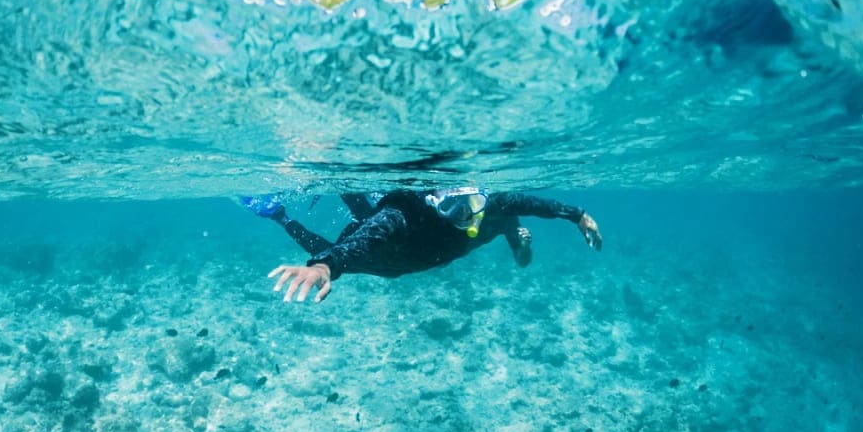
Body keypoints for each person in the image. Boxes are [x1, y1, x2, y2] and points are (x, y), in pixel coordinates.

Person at [246, 189, 602, 303]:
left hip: (403, 264)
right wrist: (324, 266)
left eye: (472, 206)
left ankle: (287, 214)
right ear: (434, 202)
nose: (465, 217)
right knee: (356, 232)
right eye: (452, 207)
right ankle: (279, 216)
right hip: (385, 256)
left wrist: (577, 215)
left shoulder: (500, 213)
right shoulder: (406, 213)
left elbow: (533, 212)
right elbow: (366, 239)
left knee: (367, 217)